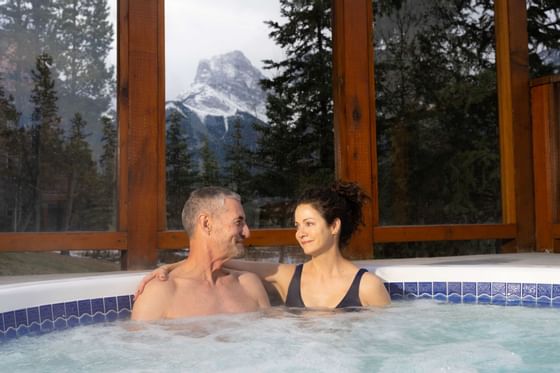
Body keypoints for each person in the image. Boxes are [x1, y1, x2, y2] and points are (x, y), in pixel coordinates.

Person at [136, 181, 390, 309]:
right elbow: (215, 260)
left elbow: (387, 346)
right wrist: (170, 267)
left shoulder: (368, 286)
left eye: (309, 224)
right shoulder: (287, 276)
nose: (300, 233)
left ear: (334, 226)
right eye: (297, 226)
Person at [131, 186, 270, 321]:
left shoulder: (248, 284)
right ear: (206, 224)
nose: (247, 233)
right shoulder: (161, 292)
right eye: (238, 222)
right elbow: (139, 343)